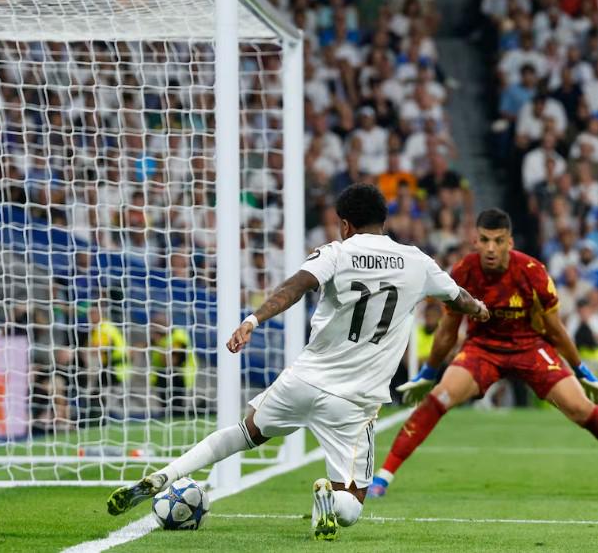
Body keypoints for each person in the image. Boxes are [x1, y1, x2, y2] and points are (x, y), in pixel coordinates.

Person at [106, 184, 489, 541]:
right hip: (353, 403)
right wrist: (479, 309)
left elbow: (295, 286)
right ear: (384, 220)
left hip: (304, 380)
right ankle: (328, 498)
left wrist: (252, 320)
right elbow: (458, 298)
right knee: (352, 507)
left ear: (345, 224)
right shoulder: (417, 261)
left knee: (244, 432)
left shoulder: (337, 252)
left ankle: (167, 473)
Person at [368, 209, 598, 498]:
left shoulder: (533, 272)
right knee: (439, 397)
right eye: (485, 240)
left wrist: (582, 371)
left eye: (498, 241)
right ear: (475, 241)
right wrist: (428, 374)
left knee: (580, 409)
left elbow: (556, 330)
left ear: (509, 242)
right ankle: (382, 478)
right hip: (482, 349)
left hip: (530, 347)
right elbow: (447, 330)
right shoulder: (464, 272)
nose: (491, 248)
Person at [149, 312, 198, 417]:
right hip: (163, 378)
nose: (152, 329)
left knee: (176, 412)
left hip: (179, 377)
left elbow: (171, 362)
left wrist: (158, 344)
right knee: (167, 411)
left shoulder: (178, 337)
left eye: (156, 324)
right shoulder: (161, 339)